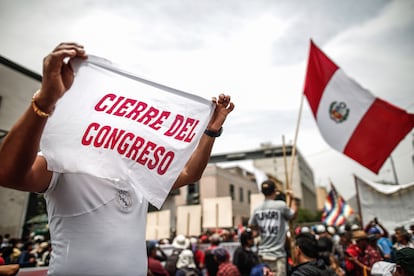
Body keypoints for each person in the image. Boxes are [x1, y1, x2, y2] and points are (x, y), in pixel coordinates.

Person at [0, 42, 235, 276]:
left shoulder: (138, 174)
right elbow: (8, 173)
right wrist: (44, 100)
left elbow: (189, 174)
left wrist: (211, 131)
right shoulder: (64, 161)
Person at [248, 180, 297, 276]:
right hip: (278, 256)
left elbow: (251, 225)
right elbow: (293, 215)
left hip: (262, 254)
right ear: (275, 191)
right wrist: (292, 198)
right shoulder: (280, 206)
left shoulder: (257, 209)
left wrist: (262, 227)